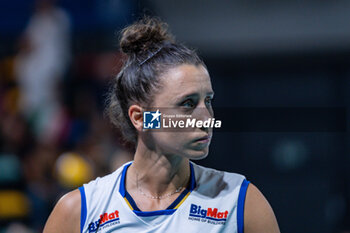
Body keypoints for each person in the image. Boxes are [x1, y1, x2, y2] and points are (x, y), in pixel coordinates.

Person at [43, 17, 280, 233]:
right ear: (140, 118)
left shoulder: (241, 202)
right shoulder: (78, 212)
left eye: (208, 101)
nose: (206, 118)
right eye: (187, 104)